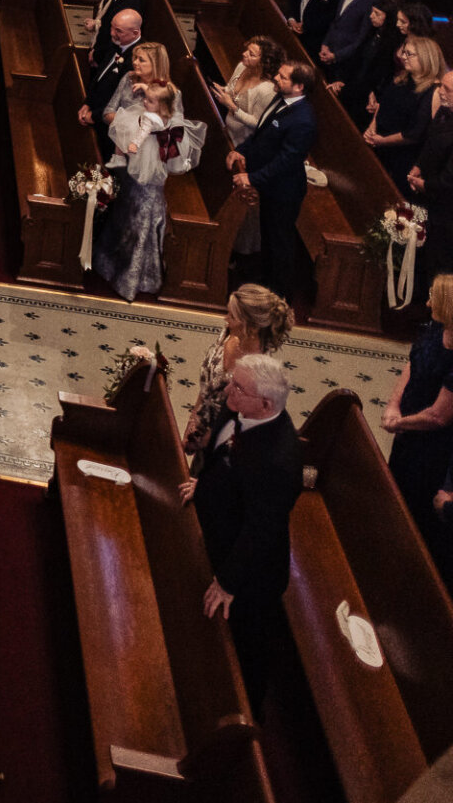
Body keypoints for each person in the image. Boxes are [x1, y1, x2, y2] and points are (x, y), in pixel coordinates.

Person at [179, 354, 302, 705]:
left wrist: (228, 582)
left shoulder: (279, 461)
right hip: (223, 531)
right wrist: (202, 484)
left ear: (265, 403)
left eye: (238, 387)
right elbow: (223, 459)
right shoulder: (240, 409)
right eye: (233, 381)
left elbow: (261, 530)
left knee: (247, 646)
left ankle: (247, 719)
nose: (228, 390)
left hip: (252, 575)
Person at [95, 81, 204, 300]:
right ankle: (134, 271)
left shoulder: (152, 118)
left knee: (142, 217)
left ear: (162, 105)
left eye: (150, 100)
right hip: (149, 167)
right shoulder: (168, 117)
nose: (145, 102)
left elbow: (142, 133)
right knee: (135, 212)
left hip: (148, 169)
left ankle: (133, 278)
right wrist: (147, 89)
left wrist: (133, 144)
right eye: (146, 98)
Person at [382, 275, 453, 583]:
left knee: (416, 504)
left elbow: (439, 417)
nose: (427, 303)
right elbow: (413, 362)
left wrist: (402, 423)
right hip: (410, 430)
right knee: (395, 485)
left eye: (433, 298)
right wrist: (393, 405)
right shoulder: (434, 328)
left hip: (433, 447)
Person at [228, 61, 318, 301]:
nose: (276, 79)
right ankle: (264, 283)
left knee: (279, 241)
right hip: (270, 184)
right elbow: (262, 136)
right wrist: (242, 151)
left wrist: (252, 177)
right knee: (267, 236)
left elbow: (286, 161)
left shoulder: (303, 120)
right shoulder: (280, 99)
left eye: (283, 77)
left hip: (284, 190)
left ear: (299, 87)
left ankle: (278, 295)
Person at [183, 285, 293, 460]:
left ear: (253, 328)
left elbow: (245, 423)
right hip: (204, 425)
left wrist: (209, 439)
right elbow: (207, 388)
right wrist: (194, 420)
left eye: (232, 316)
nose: (226, 319)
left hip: (226, 443)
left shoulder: (259, 370)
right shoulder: (228, 334)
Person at [365, 35, 444, 189]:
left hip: (400, 155)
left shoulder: (434, 91)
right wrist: (372, 126)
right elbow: (383, 104)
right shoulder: (403, 78)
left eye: (409, 54)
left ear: (426, 58)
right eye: (404, 52)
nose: (403, 57)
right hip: (378, 141)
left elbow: (416, 133)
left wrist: (382, 141)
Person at [347, 1, 435, 132]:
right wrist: (374, 91)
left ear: (416, 23)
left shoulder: (424, 49)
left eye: (403, 22)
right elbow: (385, 67)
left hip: (401, 97)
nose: (397, 24)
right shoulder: (401, 38)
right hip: (386, 88)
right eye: (398, 20)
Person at [408, 68, 453, 288]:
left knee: (441, 262)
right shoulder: (445, 113)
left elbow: (449, 181)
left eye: (447, 89)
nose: (441, 92)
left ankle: (438, 316)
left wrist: (424, 184)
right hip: (429, 197)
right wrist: (418, 166)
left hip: (447, 210)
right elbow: (430, 144)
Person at [318, 0, 384, 96]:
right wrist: (325, 44)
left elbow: (362, 38)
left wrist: (336, 56)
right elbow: (337, 20)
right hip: (329, 52)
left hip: (347, 65)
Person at [77, 8, 141, 148]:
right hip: (95, 108)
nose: (112, 33)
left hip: (109, 128)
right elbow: (100, 74)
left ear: (135, 33)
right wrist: (88, 102)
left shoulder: (137, 62)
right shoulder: (117, 42)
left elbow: (122, 103)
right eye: (112, 27)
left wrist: (94, 116)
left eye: (118, 31)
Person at [211, 36, 284, 148]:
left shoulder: (267, 90)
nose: (244, 54)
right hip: (228, 128)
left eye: (251, 54)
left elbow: (257, 123)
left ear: (264, 63)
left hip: (242, 142)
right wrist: (223, 90)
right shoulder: (242, 67)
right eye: (247, 50)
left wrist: (231, 106)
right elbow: (232, 90)